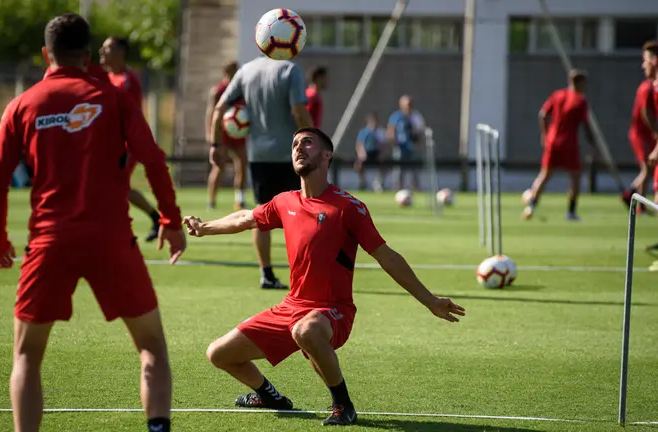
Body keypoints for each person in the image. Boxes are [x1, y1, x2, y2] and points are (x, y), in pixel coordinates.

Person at [0, 13, 186, 432]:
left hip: (49, 240)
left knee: (26, 356)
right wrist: (169, 219)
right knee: (151, 346)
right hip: (112, 240)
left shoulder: (24, 104)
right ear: (88, 54)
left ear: (46, 54)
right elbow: (153, 158)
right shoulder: (112, 97)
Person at [184, 127, 466, 426]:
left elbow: (388, 257)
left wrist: (430, 300)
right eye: (294, 144)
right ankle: (268, 395)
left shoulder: (348, 207)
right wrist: (204, 228)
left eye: (307, 142)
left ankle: (343, 405)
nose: (298, 148)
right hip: (290, 307)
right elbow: (245, 217)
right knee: (219, 354)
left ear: (327, 154)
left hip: (333, 312)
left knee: (306, 331)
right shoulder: (285, 202)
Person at [208, 56, 313, 290]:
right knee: (299, 217)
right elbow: (299, 111)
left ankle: (266, 273)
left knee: (262, 216)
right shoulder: (290, 70)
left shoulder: (247, 70)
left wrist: (215, 145)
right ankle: (303, 279)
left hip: (258, 156)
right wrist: (315, 140)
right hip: (290, 155)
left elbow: (219, 109)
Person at [100, 36, 161, 242]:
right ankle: (155, 219)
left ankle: (120, 234)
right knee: (119, 187)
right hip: (108, 145)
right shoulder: (104, 79)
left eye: (107, 48)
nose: (102, 51)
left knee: (114, 187)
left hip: (126, 144)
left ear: (121, 52)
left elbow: (127, 118)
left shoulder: (127, 81)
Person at [523, 69, 594, 221]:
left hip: (552, 141)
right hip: (569, 143)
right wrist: (592, 143)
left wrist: (544, 134)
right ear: (579, 83)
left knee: (545, 174)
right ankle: (571, 212)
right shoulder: (580, 101)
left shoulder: (558, 95)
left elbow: (542, 114)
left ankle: (531, 205)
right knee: (575, 177)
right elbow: (586, 125)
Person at [206, 61, 248, 211]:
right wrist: (211, 135)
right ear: (226, 72)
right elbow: (211, 113)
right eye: (233, 71)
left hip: (238, 134)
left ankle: (240, 199)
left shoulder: (241, 90)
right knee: (219, 167)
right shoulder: (218, 90)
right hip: (222, 135)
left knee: (242, 165)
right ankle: (211, 201)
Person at [623, 41, 658, 213]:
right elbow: (646, 114)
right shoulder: (647, 87)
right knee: (647, 167)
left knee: (649, 168)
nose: (643, 66)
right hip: (641, 134)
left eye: (645, 60)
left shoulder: (651, 86)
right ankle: (634, 197)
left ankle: (633, 195)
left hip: (649, 134)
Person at [387, 95, 425, 191]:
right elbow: (391, 131)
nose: (408, 106)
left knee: (414, 169)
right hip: (400, 147)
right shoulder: (396, 116)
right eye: (407, 104)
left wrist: (419, 143)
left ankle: (416, 188)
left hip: (412, 146)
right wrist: (394, 143)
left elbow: (420, 131)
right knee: (399, 170)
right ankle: (398, 188)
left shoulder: (416, 116)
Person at [354, 112, 386, 190]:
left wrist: (382, 155)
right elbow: (359, 144)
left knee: (385, 165)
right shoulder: (364, 132)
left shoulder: (380, 132)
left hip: (376, 153)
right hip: (366, 153)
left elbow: (382, 145)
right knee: (358, 165)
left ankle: (379, 183)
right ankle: (363, 182)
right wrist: (361, 154)